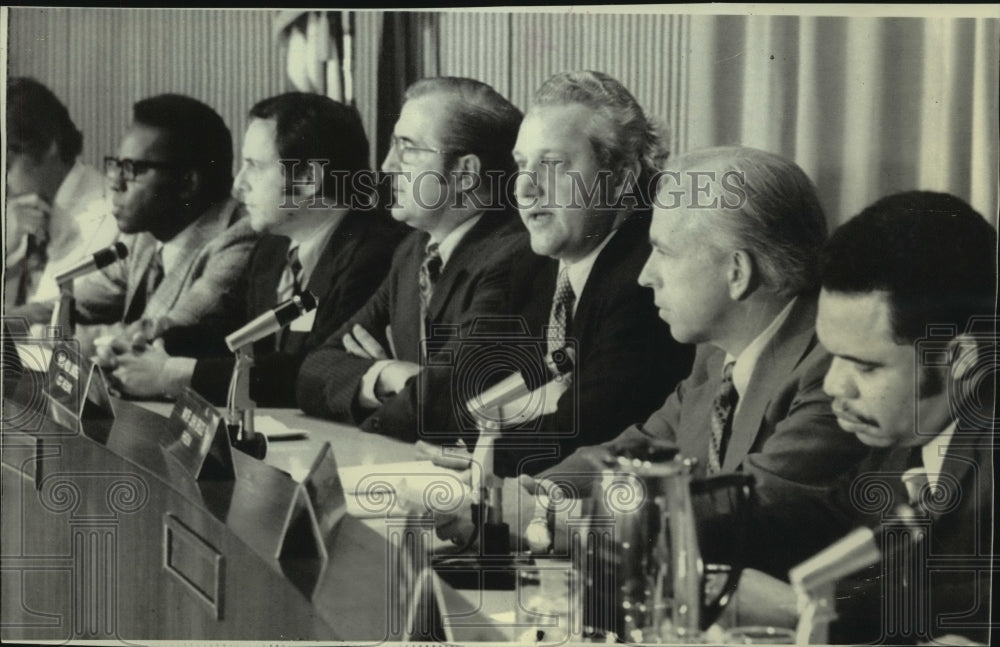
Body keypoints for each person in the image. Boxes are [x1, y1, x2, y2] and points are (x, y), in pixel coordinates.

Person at [436, 146, 869, 546]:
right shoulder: (717, 354)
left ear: (737, 272)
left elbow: (750, 506)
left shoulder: (834, 370)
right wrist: (533, 493)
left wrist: (543, 515)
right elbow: (632, 452)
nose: (645, 275)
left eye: (663, 252)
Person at [731, 191, 995, 644]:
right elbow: (822, 514)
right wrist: (664, 521)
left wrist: (817, 609)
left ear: (961, 361)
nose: (834, 385)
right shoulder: (910, 431)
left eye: (866, 366)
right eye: (831, 357)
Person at [108, 92, 402, 406]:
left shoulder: (374, 255)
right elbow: (231, 335)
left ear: (306, 179)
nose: (238, 184)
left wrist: (175, 374)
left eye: (255, 167)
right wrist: (157, 340)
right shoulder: (272, 249)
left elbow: (312, 370)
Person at [296, 77, 535, 438]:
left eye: (407, 149)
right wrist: (390, 376)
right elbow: (312, 371)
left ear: (465, 173)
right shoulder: (412, 252)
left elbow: (440, 404)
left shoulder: (515, 256)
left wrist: (410, 388)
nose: (388, 166)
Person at [483, 70, 693, 475]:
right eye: (522, 164)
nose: (524, 189)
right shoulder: (530, 263)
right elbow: (474, 388)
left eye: (553, 165)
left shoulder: (645, 281)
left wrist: (469, 451)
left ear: (620, 177)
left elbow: (576, 434)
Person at [65, 94, 257, 358]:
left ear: (188, 183)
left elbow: (163, 332)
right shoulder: (143, 235)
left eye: (134, 169)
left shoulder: (238, 236)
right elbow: (73, 305)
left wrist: (57, 336)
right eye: (117, 165)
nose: (115, 183)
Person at [5, 77, 117, 314]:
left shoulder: (109, 215)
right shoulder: (18, 212)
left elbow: (64, 321)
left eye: (6, 165)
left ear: (48, 146)